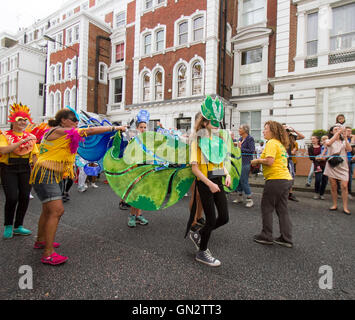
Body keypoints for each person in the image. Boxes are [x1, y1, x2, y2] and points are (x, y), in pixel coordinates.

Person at [30, 109, 126, 265]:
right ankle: (48, 254)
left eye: (76, 119)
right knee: (57, 211)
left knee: (47, 210)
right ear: (62, 120)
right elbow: (91, 130)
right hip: (46, 173)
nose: (76, 121)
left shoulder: (60, 132)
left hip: (52, 174)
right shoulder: (59, 131)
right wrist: (115, 128)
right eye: (73, 119)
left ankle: (41, 240)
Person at [188, 97, 231, 267]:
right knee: (211, 220)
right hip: (205, 183)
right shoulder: (196, 141)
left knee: (224, 218)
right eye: (213, 121)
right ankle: (202, 252)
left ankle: (199, 233)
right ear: (205, 123)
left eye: (217, 121)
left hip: (217, 179)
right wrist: (209, 184)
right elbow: (195, 169)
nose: (216, 124)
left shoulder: (218, 141)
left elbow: (218, 163)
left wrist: (226, 173)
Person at [251, 121, 293, 248]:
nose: (263, 131)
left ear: (273, 131)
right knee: (282, 209)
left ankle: (266, 235)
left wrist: (256, 161)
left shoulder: (271, 143)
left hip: (275, 179)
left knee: (267, 207)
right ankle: (286, 238)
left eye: (265, 129)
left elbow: (269, 161)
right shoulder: (280, 144)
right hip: (286, 179)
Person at [0, 104, 39, 239]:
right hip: (8, 168)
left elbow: (34, 155)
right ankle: (8, 225)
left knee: (24, 197)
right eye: (20, 120)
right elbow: (3, 150)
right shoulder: (4, 135)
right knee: (12, 197)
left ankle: (18, 226)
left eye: (25, 120)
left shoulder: (31, 137)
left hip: (25, 169)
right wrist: (22, 140)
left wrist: (37, 171)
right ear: (13, 121)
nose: (23, 122)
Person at [127, 110, 150, 228]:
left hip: (144, 168)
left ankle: (139, 215)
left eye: (145, 127)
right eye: (141, 127)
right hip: (134, 168)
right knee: (135, 192)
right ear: (136, 127)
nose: (143, 129)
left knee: (141, 193)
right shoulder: (132, 139)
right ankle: (131, 215)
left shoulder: (147, 140)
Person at [323, 124, 352, 215]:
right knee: (333, 185)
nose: (338, 130)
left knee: (344, 186)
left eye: (339, 129)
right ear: (332, 132)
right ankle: (335, 204)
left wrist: (346, 138)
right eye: (335, 129)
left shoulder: (343, 141)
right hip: (332, 165)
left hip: (343, 166)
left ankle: (345, 207)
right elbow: (328, 144)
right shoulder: (328, 140)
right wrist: (338, 133)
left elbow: (349, 149)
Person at [233, 124, 255, 208]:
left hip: (246, 162)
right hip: (239, 162)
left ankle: (250, 199)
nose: (238, 129)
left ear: (245, 130)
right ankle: (239, 197)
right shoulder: (240, 139)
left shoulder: (250, 139)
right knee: (238, 179)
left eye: (240, 128)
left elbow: (251, 150)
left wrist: (240, 147)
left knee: (244, 180)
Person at [283, 125, 305, 202]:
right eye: (284, 129)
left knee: (290, 176)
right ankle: (283, 194)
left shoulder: (291, 137)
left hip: (289, 160)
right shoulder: (279, 138)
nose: (286, 131)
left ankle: (290, 194)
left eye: (287, 130)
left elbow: (302, 137)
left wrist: (294, 130)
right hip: (281, 161)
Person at [308, 136, 328, 200]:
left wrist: (323, 158)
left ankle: (322, 194)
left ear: (317, 139)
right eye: (311, 139)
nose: (312, 140)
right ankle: (316, 193)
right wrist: (317, 158)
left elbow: (327, 152)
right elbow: (311, 157)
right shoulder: (310, 148)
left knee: (324, 180)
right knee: (318, 179)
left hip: (325, 164)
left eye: (314, 139)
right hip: (317, 165)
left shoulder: (322, 146)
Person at [345, 127, 354, 199]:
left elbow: (352, 147)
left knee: (349, 176)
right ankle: (340, 191)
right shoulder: (343, 139)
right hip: (343, 160)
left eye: (350, 131)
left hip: (350, 160)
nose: (349, 132)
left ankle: (349, 192)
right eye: (348, 131)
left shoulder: (352, 139)